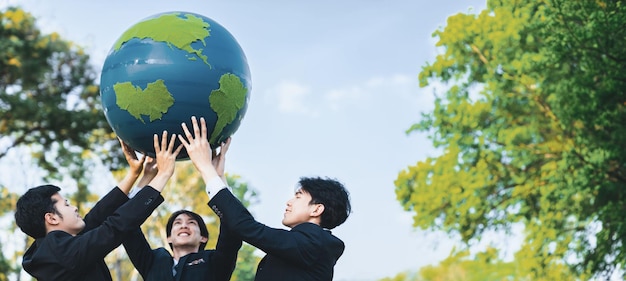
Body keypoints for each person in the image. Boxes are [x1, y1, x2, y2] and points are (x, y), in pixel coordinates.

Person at [178, 116, 352, 281]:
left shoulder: (315, 243)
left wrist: (205, 168)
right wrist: (218, 177)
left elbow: (247, 227)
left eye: (298, 197)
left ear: (317, 209)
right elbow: (242, 224)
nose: (289, 202)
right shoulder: (305, 245)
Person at [14, 131, 182, 281]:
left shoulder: (55, 253)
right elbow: (114, 228)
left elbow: (97, 217)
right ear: (51, 218)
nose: (74, 208)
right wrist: (164, 174)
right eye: (66, 204)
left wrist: (138, 176)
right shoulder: (59, 253)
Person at [122, 156, 242, 281]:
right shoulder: (152, 261)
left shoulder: (214, 262)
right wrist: (146, 177)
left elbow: (231, 231)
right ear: (169, 237)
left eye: (191, 223)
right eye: (177, 223)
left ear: (203, 237)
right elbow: (126, 225)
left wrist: (217, 177)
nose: (184, 226)